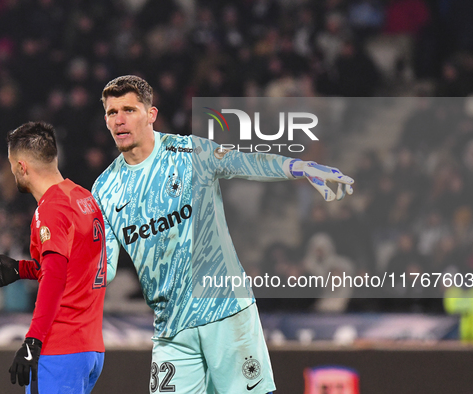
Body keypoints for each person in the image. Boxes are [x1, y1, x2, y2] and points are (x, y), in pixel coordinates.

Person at [92, 75, 354, 394]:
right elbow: (101, 269)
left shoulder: (189, 151)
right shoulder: (105, 189)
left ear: (151, 114)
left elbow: (247, 162)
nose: (119, 120)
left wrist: (302, 168)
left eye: (129, 110)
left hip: (226, 312)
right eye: (111, 112)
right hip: (172, 329)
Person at [0, 121, 107, 393]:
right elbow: (76, 268)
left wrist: (33, 342)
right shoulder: (84, 198)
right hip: (90, 349)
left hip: (59, 349)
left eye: (13, 166)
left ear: (22, 167)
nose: (13, 173)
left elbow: (56, 277)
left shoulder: (50, 210)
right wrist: (20, 270)